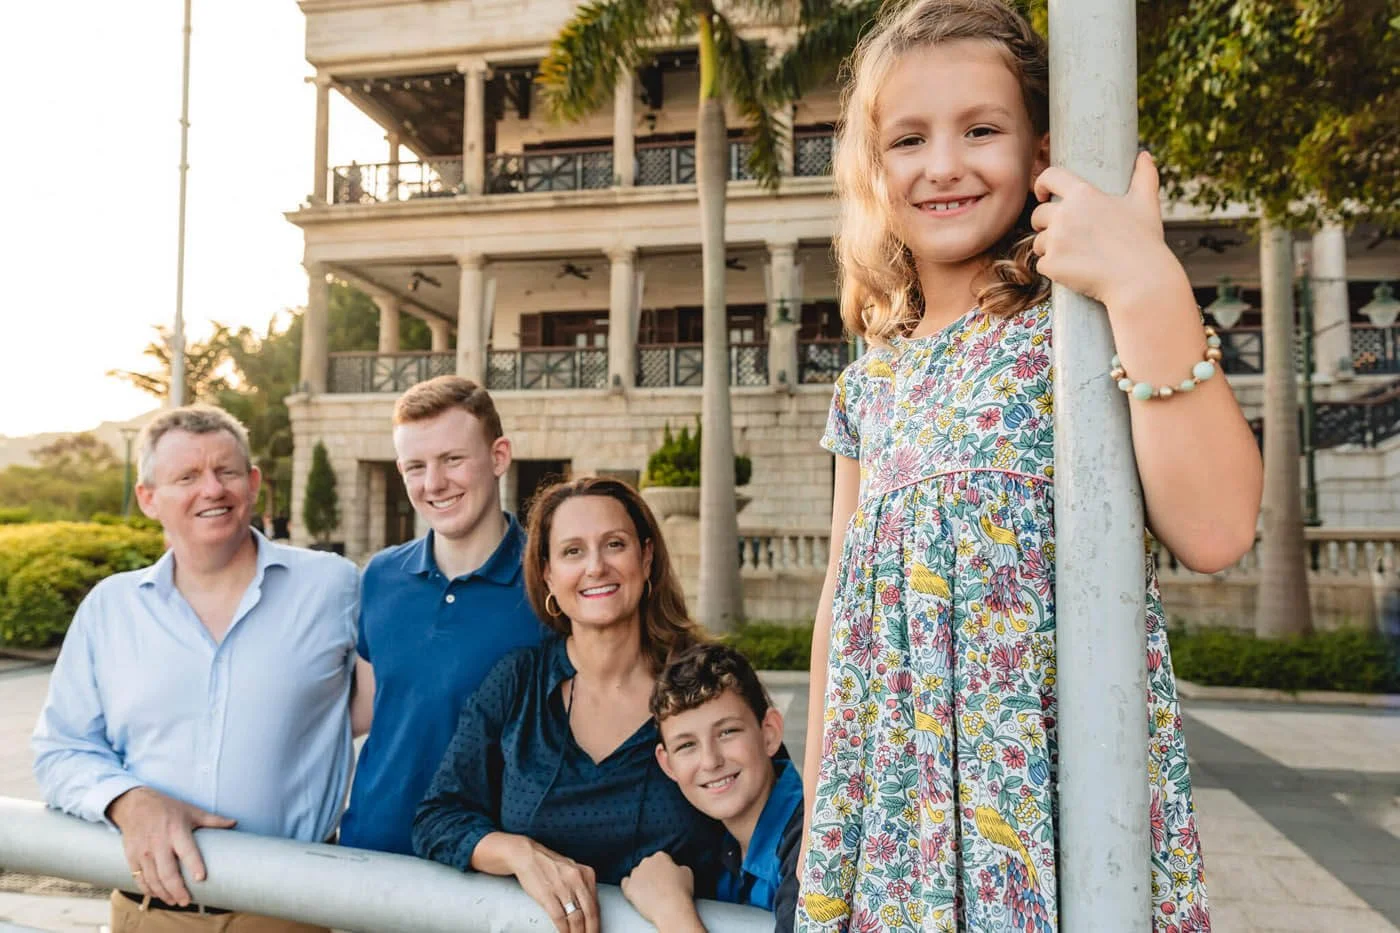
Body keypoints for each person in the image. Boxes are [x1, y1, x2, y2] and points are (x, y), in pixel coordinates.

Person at [797, 1, 1263, 929]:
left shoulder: (1071, 328)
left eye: (981, 129)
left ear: (1039, 146)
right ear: (872, 169)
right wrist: (821, 809)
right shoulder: (871, 379)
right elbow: (838, 607)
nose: (943, 164)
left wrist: (1143, 279)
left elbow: (1215, 529)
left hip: (1051, 803)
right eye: (908, 139)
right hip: (897, 817)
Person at [32, 405, 363, 933]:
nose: (212, 489)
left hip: (288, 914)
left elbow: (383, 702)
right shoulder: (110, 608)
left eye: (226, 471)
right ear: (148, 498)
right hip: (148, 914)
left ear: (252, 483)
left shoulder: (335, 587)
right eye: (186, 477)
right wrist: (127, 801)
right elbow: (61, 749)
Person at [413, 477, 722, 933]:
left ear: (647, 556)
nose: (596, 567)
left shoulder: (706, 683)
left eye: (614, 544)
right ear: (548, 574)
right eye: (573, 551)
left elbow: (773, 818)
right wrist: (519, 853)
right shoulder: (517, 681)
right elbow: (436, 817)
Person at [339, 376, 546, 856]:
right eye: (416, 466)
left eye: (453, 459)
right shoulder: (381, 575)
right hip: (372, 853)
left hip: (488, 869)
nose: (434, 484)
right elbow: (370, 705)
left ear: (498, 457)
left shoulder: (550, 582)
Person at [618, 643, 803, 933]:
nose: (710, 761)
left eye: (727, 732)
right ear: (667, 765)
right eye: (687, 745)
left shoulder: (811, 844)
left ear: (769, 733)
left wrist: (672, 913)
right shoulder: (709, 841)